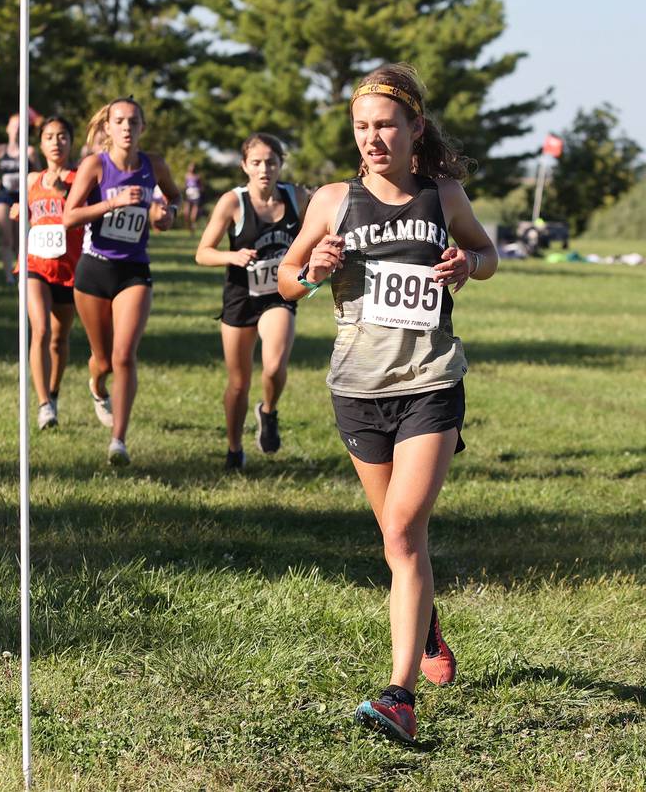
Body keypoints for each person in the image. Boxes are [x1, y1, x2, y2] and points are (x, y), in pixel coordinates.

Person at [277, 64, 497, 745]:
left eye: (385, 126)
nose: (373, 138)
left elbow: (486, 251)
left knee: (403, 533)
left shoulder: (443, 196)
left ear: (414, 130)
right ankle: (423, 616)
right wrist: (311, 274)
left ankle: (397, 696)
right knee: (399, 542)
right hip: (357, 391)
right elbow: (286, 282)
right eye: (362, 127)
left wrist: (469, 265)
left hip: (430, 382)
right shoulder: (332, 200)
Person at [62, 96, 181, 464]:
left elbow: (173, 199)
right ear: (108, 128)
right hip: (95, 268)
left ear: (142, 127)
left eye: (133, 121)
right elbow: (70, 217)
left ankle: (118, 441)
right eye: (120, 121)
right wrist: (112, 203)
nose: (127, 127)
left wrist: (166, 214)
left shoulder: (154, 165)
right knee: (103, 360)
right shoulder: (94, 166)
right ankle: (97, 386)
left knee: (124, 356)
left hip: (134, 269)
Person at [195, 134, 307, 470]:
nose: (264, 169)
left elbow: (325, 220)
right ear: (244, 166)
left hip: (278, 295)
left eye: (271, 162)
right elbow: (202, 253)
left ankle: (269, 411)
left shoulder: (296, 196)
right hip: (241, 296)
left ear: (280, 165)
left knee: (274, 367)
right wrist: (233, 255)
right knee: (239, 382)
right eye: (256, 163)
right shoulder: (232, 202)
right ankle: (234, 448)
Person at [11, 116, 83, 430]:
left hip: (68, 267)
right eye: (49, 137)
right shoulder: (31, 180)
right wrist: (19, 212)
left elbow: (87, 218)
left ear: (71, 141)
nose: (56, 142)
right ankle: (43, 406)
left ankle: (53, 393)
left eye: (62, 136)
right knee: (38, 330)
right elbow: (26, 215)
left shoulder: (82, 178)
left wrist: (65, 194)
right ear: (40, 144)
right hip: (35, 264)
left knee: (58, 339)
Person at [0, 114, 38, 285]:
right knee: (6, 237)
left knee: (19, 238)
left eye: (20, 126)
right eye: (13, 126)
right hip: (4, 195)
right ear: (7, 128)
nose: (16, 129)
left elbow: (40, 174)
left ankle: (22, 271)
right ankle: (8, 276)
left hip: (22, 197)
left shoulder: (30, 151)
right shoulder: (0, 150)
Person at [183, 162, 204, 234]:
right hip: (188, 196)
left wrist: (197, 189)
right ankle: (190, 228)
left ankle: (192, 229)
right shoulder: (186, 176)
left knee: (193, 216)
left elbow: (202, 187)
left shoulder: (198, 177)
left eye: (193, 167)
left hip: (196, 196)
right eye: (190, 167)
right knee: (186, 213)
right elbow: (185, 185)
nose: (191, 168)